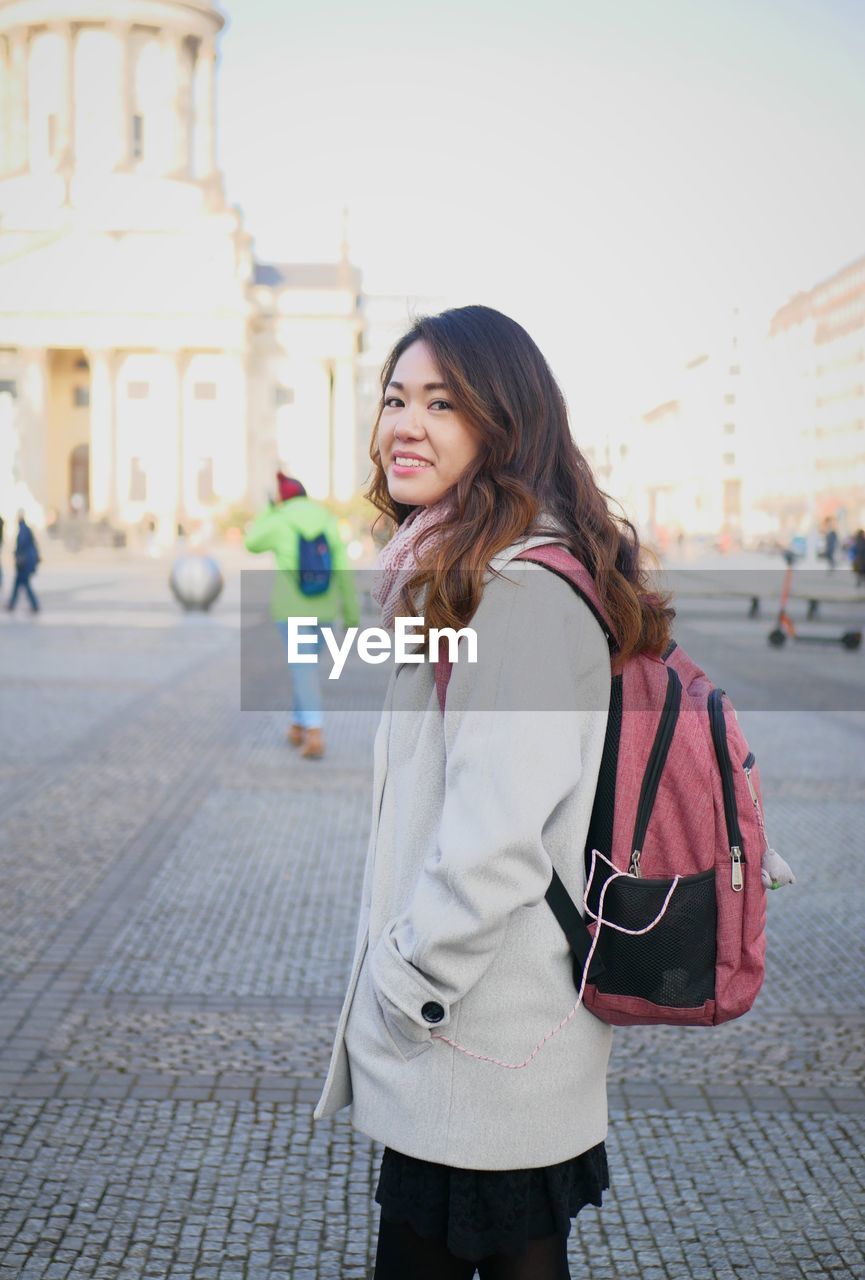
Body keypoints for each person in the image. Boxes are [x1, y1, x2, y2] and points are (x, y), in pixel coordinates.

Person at [312, 306, 677, 1279]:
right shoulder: (470, 578)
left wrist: (403, 987)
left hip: (478, 1033)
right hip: (498, 1032)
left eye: (441, 401)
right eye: (395, 397)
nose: (404, 421)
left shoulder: (512, 595)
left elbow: (492, 841)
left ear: (502, 424)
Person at [243, 471, 360, 759]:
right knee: (305, 668)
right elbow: (343, 568)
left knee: (303, 669)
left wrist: (269, 510)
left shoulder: (280, 521)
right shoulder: (327, 519)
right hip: (326, 610)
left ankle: (315, 732)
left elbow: (252, 542)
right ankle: (298, 726)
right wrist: (352, 612)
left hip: (291, 610)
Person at [6, 510, 40, 614]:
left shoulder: (23, 530)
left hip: (24, 562)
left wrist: (17, 554)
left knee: (23, 583)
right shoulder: (26, 529)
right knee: (19, 584)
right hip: (26, 561)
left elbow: (22, 545)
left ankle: (34, 605)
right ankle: (12, 604)